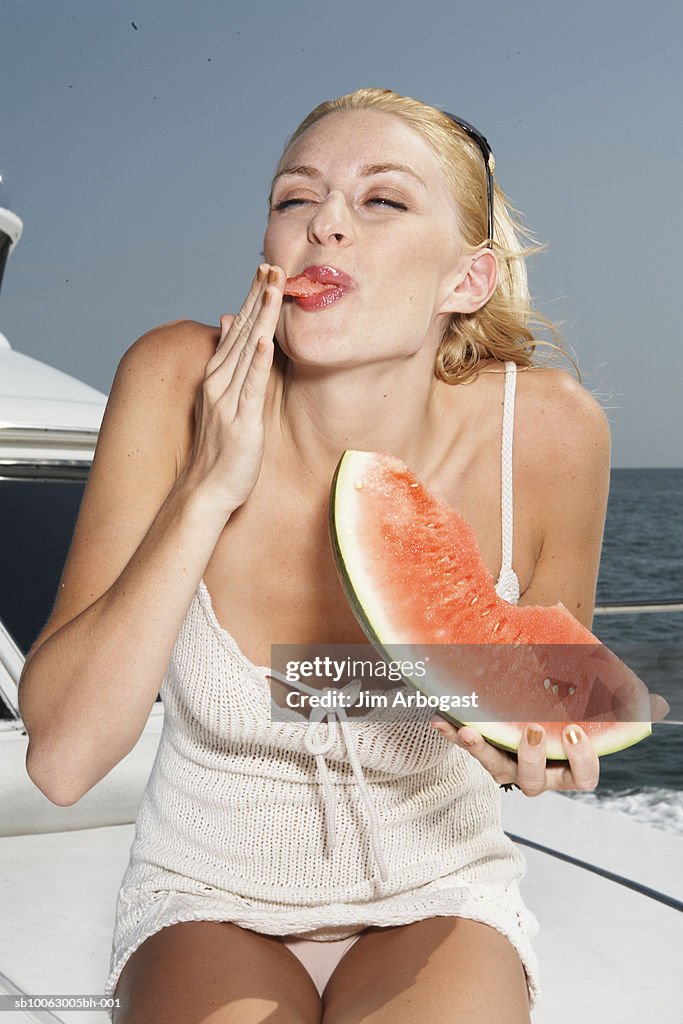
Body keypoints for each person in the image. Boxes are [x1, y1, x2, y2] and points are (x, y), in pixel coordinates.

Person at [19, 88, 617, 1023]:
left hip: (440, 889)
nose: (325, 224)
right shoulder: (175, 377)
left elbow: (547, 696)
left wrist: (534, 747)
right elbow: (62, 760)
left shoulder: (543, 432)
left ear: (466, 279)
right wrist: (208, 485)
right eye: (296, 198)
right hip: (203, 895)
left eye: (381, 200)